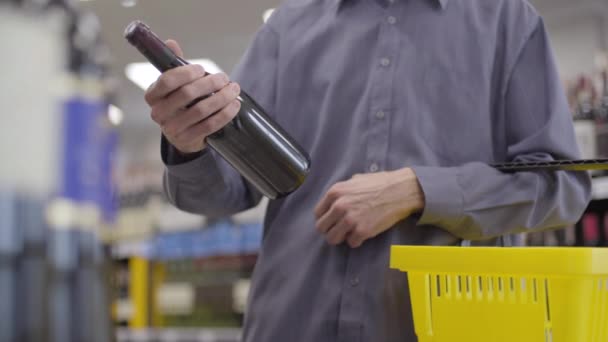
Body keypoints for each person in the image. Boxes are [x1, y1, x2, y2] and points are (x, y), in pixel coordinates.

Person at [144, 0, 592, 340]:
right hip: (291, 323)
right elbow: (223, 191)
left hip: (446, 327)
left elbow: (560, 185)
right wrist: (189, 145)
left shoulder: (507, 21)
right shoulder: (286, 29)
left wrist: (421, 190)